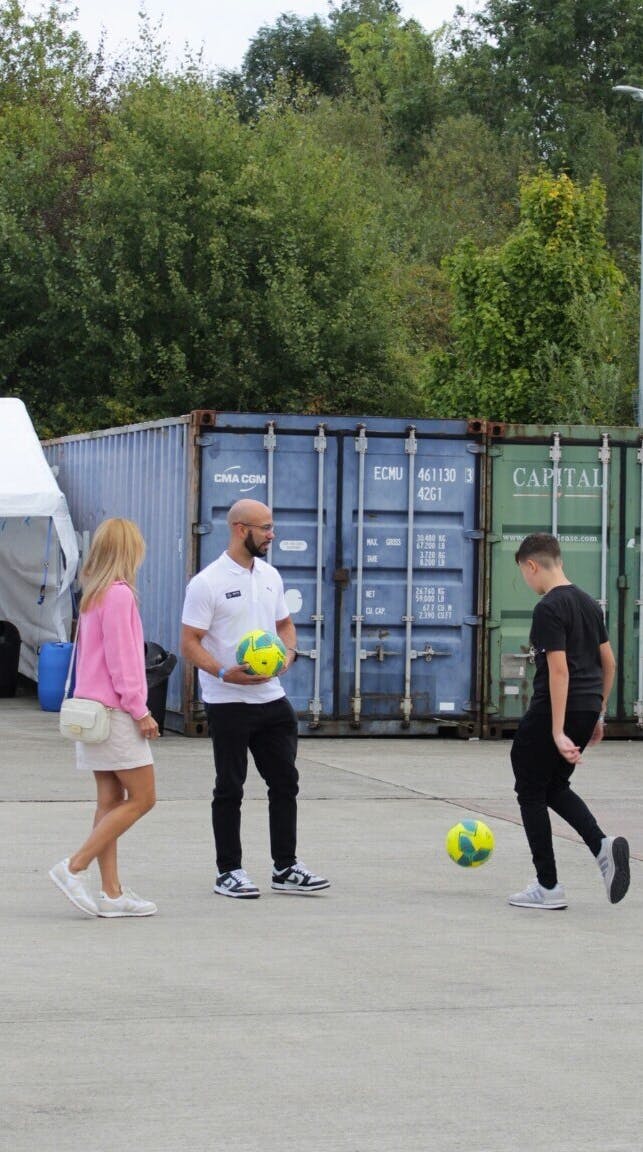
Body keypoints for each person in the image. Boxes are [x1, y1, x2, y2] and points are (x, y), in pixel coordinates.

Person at [181, 498, 330, 899]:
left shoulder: (270, 576)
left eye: (272, 526)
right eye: (264, 527)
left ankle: (285, 867)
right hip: (227, 700)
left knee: (285, 782)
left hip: (271, 699)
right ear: (239, 528)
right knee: (230, 786)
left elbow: (284, 624)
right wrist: (221, 672)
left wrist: (290, 652)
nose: (272, 534)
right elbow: (189, 642)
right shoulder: (207, 582)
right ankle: (228, 871)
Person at [508, 532, 629, 910]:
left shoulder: (549, 608)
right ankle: (601, 846)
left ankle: (548, 886)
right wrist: (598, 713)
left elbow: (559, 671)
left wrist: (557, 729)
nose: (527, 582)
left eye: (524, 574)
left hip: (552, 710)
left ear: (532, 565)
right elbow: (608, 663)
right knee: (553, 784)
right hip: (586, 706)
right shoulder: (590, 604)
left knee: (529, 787)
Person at [49, 518, 159, 918]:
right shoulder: (119, 595)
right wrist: (141, 710)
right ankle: (73, 866)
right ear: (129, 551)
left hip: (92, 713)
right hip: (115, 713)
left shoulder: (93, 595)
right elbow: (123, 661)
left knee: (110, 800)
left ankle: (112, 895)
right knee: (143, 798)